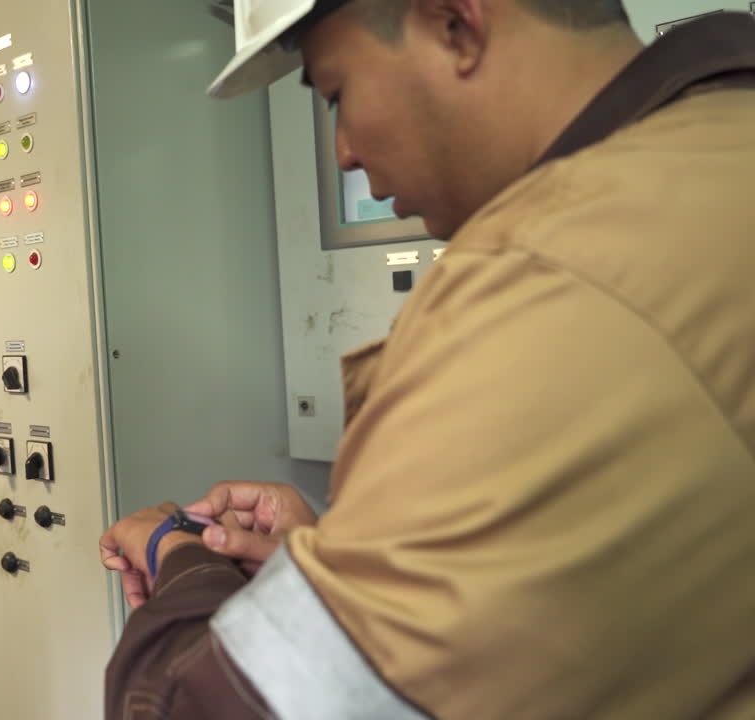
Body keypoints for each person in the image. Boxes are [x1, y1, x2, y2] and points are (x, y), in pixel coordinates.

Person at [100, 1, 755, 717]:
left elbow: (191, 708)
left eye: (337, 95)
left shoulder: (546, 282)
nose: (343, 150)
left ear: (455, 24)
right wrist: (355, 555)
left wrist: (180, 556)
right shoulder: (717, 151)